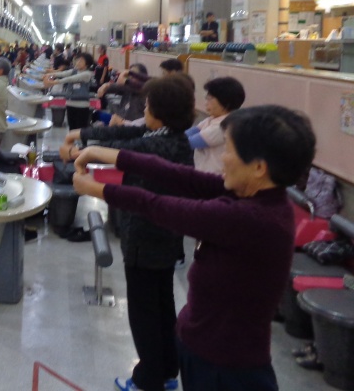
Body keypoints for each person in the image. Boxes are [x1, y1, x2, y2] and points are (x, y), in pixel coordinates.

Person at [72, 105, 316, 391]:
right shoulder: (251, 195)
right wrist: (99, 152)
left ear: (259, 168)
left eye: (229, 151)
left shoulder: (252, 218)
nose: (223, 158)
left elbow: (158, 206)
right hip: (204, 349)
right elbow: (177, 175)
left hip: (225, 368)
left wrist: (96, 188)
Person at [62, 75, 195, 391]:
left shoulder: (158, 144)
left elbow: (123, 149)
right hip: (165, 237)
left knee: (144, 311)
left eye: (147, 106)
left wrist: (81, 152)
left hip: (146, 238)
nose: (143, 110)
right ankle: (167, 371)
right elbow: (123, 132)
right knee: (162, 305)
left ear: (160, 111)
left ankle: (148, 379)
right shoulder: (171, 137)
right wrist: (80, 134)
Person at [186, 77, 245, 174]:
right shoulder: (211, 119)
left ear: (225, 102)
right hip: (202, 172)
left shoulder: (224, 126)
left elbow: (190, 142)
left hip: (214, 176)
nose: (206, 102)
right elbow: (189, 132)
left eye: (210, 98)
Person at [43, 53, 95, 130]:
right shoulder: (74, 71)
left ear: (87, 64)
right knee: (71, 127)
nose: (78, 62)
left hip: (82, 105)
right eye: (77, 60)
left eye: (81, 61)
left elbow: (72, 79)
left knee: (81, 129)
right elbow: (62, 74)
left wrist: (55, 82)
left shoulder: (87, 74)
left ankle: (81, 139)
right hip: (70, 103)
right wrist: (50, 75)